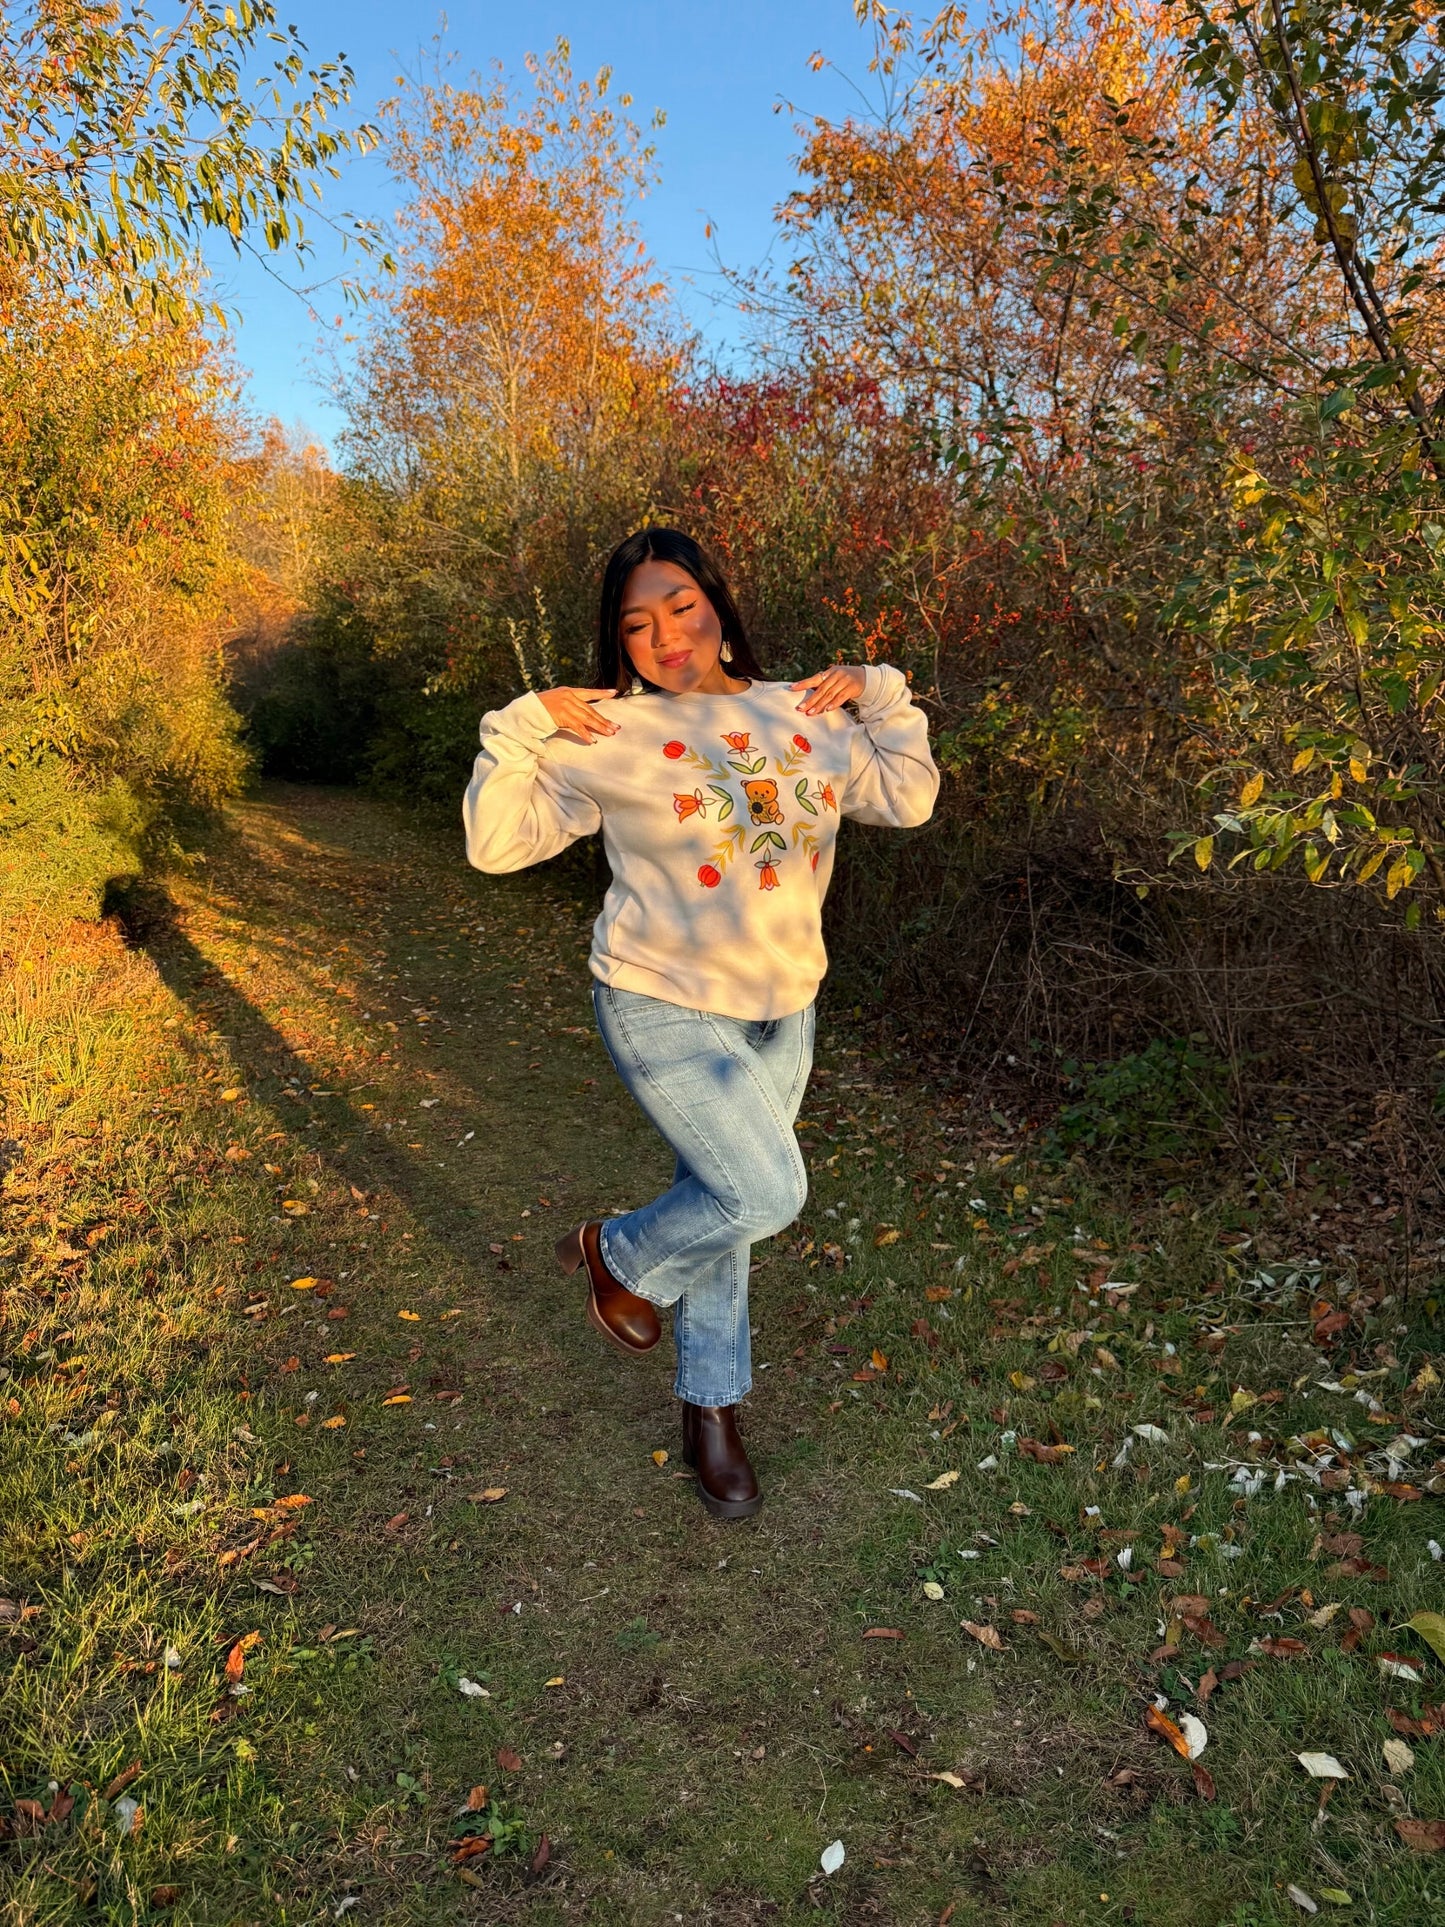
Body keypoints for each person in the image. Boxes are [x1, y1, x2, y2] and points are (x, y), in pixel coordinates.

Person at [462, 528, 939, 1519]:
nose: (664, 634)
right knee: (763, 1188)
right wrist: (518, 727)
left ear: (716, 601)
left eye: (679, 605)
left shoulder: (801, 714)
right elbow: (496, 843)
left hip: (783, 1011)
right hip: (659, 999)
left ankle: (704, 1406)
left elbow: (906, 793)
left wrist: (879, 691)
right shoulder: (607, 732)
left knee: (725, 1208)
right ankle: (619, 1259)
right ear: (618, 643)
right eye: (635, 625)